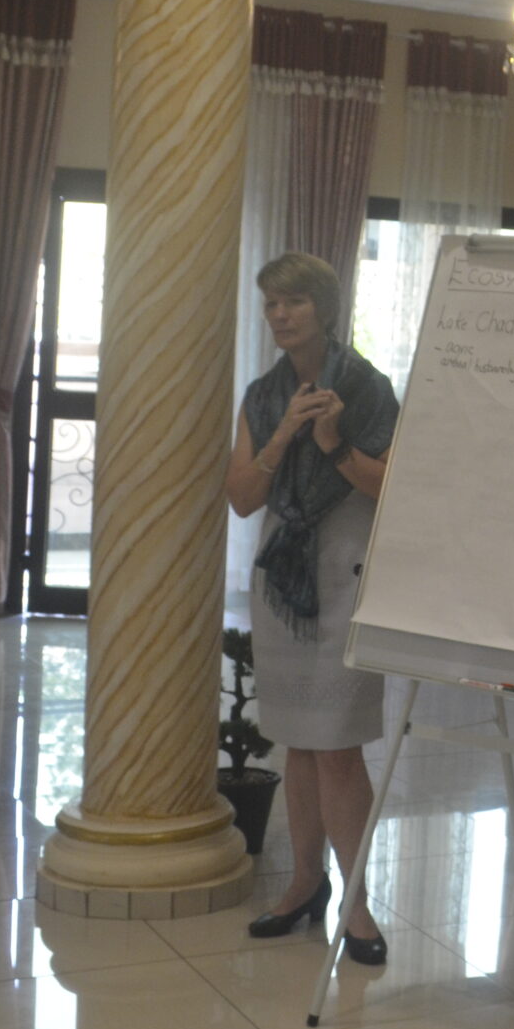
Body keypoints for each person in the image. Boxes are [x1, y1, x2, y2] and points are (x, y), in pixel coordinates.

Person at [225, 252, 399, 960]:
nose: (280, 315)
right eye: (271, 303)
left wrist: (331, 443)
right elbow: (242, 498)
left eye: (293, 302)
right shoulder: (263, 394)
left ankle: (356, 903)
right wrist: (281, 436)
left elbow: (393, 486)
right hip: (283, 585)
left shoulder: (367, 387)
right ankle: (304, 884)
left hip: (346, 577)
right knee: (298, 740)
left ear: (324, 310)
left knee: (338, 747)